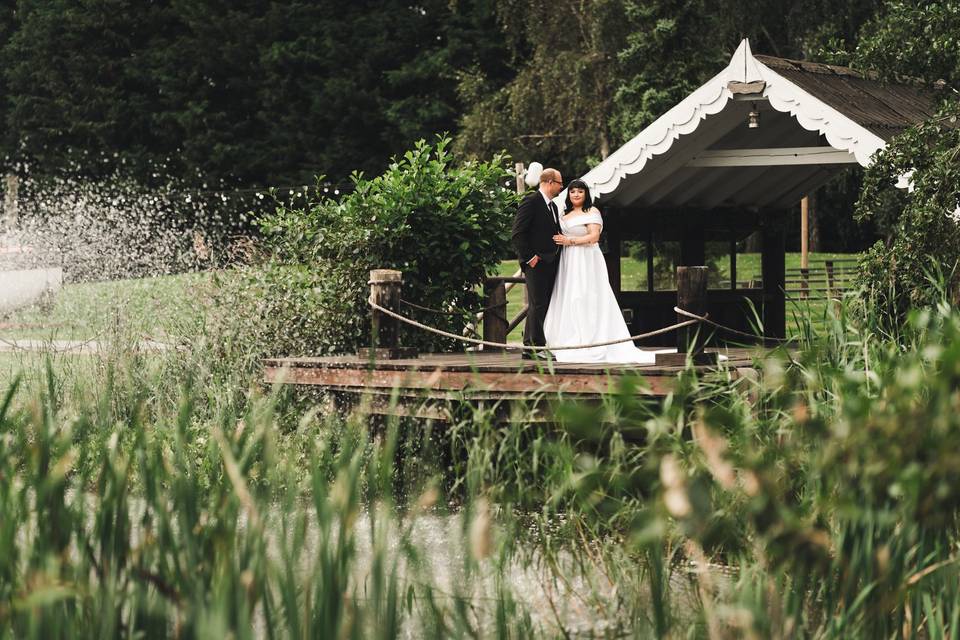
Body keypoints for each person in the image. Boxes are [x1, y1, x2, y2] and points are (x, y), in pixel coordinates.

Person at [542, 179, 657, 364]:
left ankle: (590, 339)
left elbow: (594, 237)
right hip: (568, 260)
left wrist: (569, 241)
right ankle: (566, 339)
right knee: (568, 295)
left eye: (580, 191)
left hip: (586, 259)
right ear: (568, 195)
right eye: (572, 192)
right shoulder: (564, 213)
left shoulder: (592, 211)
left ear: (586, 194)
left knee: (584, 295)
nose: (576, 194)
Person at [511, 167, 565, 357]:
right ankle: (533, 346)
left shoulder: (554, 206)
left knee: (543, 304)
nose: (561, 187)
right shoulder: (531, 201)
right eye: (560, 183)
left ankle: (532, 345)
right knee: (538, 303)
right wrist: (530, 258)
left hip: (551, 262)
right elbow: (518, 234)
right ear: (550, 182)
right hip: (536, 262)